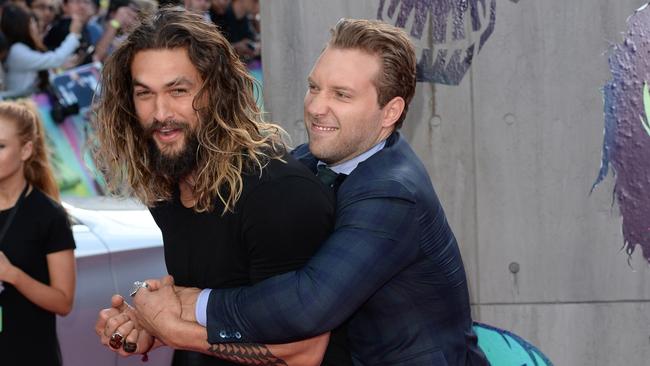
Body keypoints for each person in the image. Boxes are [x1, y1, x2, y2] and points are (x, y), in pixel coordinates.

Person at [107, 18, 490, 365]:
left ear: (389, 112)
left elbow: (307, 304)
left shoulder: (393, 192)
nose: (317, 107)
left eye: (341, 95)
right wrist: (153, 317)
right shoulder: (308, 160)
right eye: (314, 87)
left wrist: (185, 310)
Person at [92, 7, 351, 366]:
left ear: (215, 91)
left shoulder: (277, 194)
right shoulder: (169, 185)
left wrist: (170, 328)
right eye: (144, 94)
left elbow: (302, 352)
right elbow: (218, 312)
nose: (160, 112)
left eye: (178, 90)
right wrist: (145, 324)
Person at [0, 100, 76, 366]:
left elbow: (64, 302)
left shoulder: (49, 215)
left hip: (28, 354)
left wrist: (12, 275)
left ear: (26, 150)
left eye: (1, 146)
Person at [1, 4, 82, 95]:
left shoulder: (20, 48)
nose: (36, 26)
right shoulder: (17, 50)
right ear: (21, 25)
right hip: (21, 103)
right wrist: (74, 34)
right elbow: (56, 59)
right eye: (31, 22)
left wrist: (61, 67)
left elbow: (49, 66)